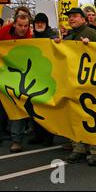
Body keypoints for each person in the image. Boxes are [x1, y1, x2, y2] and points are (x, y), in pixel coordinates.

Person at [55, 8, 96, 166]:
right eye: (69, 17)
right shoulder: (68, 37)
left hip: (90, 82)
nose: (71, 19)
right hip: (74, 83)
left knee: (92, 116)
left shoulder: (91, 33)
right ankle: (78, 148)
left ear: (84, 19)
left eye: (75, 16)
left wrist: (91, 46)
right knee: (76, 116)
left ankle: (95, 150)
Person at [0, 14, 32, 153]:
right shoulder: (3, 32)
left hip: (17, 78)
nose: (23, 29)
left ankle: (16, 140)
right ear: (14, 25)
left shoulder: (30, 38)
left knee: (17, 107)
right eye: (20, 25)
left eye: (26, 26)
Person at [28, 13, 57, 146]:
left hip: (48, 77)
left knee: (47, 109)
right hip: (34, 78)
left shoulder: (52, 38)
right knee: (34, 107)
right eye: (37, 22)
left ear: (46, 24)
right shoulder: (32, 38)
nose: (39, 25)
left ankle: (48, 135)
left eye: (42, 23)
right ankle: (37, 134)